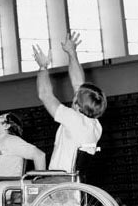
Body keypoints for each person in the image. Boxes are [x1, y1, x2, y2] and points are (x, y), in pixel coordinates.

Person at [32, 31, 107, 172]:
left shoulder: (74, 120)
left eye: (75, 97)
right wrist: (71, 53)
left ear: (78, 106)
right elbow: (79, 83)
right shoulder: (95, 125)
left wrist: (42, 67)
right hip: (74, 183)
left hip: (61, 183)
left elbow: (44, 94)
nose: (74, 94)